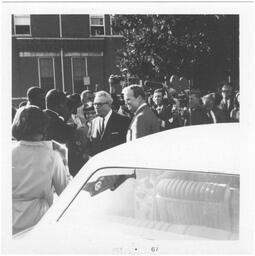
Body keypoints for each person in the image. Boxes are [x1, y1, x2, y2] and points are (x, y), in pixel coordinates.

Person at [12, 105, 71, 234]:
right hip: (39, 220)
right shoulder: (52, 156)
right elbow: (65, 192)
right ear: (44, 127)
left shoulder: (7, 153)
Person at [88, 91, 130, 156]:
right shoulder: (94, 122)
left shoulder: (123, 121)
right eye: (95, 104)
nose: (96, 107)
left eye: (99, 104)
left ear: (109, 104)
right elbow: (91, 145)